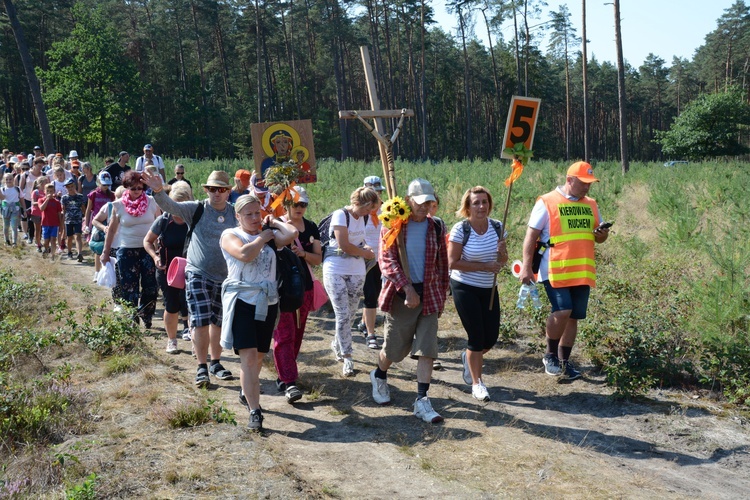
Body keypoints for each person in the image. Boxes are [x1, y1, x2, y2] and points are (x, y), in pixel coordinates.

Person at [141, 169, 238, 388]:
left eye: (221, 189)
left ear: (228, 191)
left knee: (218, 322)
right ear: (206, 190)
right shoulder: (198, 209)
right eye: (212, 189)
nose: (216, 194)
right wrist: (158, 190)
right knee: (201, 320)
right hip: (197, 273)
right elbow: (171, 207)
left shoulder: (235, 213)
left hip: (225, 277)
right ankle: (202, 367)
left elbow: (254, 218)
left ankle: (215, 363)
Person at [520, 161, 610, 381]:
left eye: (590, 183)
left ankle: (564, 362)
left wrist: (601, 234)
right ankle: (549, 355)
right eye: (584, 182)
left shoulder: (591, 203)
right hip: (555, 268)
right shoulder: (547, 201)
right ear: (570, 180)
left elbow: (600, 237)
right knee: (562, 310)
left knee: (574, 316)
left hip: (581, 269)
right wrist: (525, 265)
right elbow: (531, 236)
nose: (588, 187)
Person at [370, 178, 449, 423]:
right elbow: (387, 261)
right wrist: (406, 288)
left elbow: (442, 264)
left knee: (428, 349)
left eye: (429, 202)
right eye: (421, 202)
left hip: (430, 294)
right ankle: (379, 375)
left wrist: (442, 295)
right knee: (395, 349)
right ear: (408, 200)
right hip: (401, 296)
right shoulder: (393, 225)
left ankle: (422, 400)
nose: (425, 207)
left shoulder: (436, 226)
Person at [220, 194, 298, 431]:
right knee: (249, 358)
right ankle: (256, 410)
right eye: (249, 214)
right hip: (242, 300)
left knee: (260, 357)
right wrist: (263, 238)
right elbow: (244, 254)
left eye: (258, 213)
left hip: (267, 302)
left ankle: (247, 391)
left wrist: (273, 223)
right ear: (238, 216)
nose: (255, 218)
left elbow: (292, 234)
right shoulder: (230, 235)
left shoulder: (269, 234)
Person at [448, 186, 508, 402]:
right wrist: (485, 266)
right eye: (476, 203)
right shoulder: (460, 229)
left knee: (490, 338)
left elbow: (502, 261)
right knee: (476, 337)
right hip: (464, 286)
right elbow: (453, 262)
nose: (481, 206)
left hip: (489, 288)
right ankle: (477, 383)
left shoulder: (498, 227)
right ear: (468, 206)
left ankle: (468, 357)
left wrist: (501, 254)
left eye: (484, 202)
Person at [272, 186, 321, 403]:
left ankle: (285, 373)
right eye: (296, 203)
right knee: (284, 334)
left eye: (304, 204)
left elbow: (318, 258)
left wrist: (303, 254)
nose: (300, 208)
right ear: (286, 204)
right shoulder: (275, 224)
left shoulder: (311, 227)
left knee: (298, 332)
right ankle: (289, 381)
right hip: (281, 287)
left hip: (305, 287)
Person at [323, 186, 379, 376]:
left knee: (351, 313)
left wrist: (366, 248)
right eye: (367, 208)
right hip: (335, 268)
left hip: (356, 270)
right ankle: (347, 356)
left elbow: (359, 242)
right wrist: (365, 253)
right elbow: (344, 245)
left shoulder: (363, 217)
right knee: (342, 313)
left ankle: (337, 343)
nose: (368, 213)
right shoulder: (341, 215)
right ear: (359, 203)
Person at [101, 171, 161, 327]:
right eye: (133, 188)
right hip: (127, 250)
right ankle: (131, 318)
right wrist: (105, 253)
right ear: (126, 187)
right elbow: (112, 230)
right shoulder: (118, 205)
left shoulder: (152, 202)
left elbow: (160, 225)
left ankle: (146, 315)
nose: (137, 191)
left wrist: (159, 248)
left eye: (140, 188)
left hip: (148, 250)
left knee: (150, 286)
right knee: (129, 287)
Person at [144, 181, 192, 354]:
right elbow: (147, 241)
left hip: (191, 269)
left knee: (192, 305)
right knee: (172, 305)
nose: (178, 208)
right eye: (174, 204)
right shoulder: (163, 220)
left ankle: (195, 339)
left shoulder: (194, 219)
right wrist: (155, 257)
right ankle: (172, 340)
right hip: (167, 271)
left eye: (182, 204)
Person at [357, 175, 385, 349]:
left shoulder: (389, 210)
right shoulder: (360, 214)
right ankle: (371, 334)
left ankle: (363, 323)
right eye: (370, 194)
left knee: (378, 293)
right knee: (370, 296)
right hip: (366, 260)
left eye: (377, 192)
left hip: (384, 259)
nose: (374, 198)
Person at [85, 172, 116, 278]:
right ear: (98, 183)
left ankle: (106, 271)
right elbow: (89, 210)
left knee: (108, 247)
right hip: (97, 222)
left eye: (107, 185)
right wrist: (86, 225)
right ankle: (97, 272)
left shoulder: (112, 195)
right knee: (98, 248)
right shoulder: (93, 194)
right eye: (104, 185)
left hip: (109, 222)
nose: (105, 187)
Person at [60, 178, 87, 261]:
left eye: (71, 186)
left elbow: (83, 208)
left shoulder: (80, 197)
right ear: (66, 188)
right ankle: (69, 252)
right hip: (68, 220)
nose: (70, 188)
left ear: (74, 186)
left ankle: (79, 253)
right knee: (69, 237)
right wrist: (62, 223)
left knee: (78, 236)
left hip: (78, 219)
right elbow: (63, 210)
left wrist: (85, 218)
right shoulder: (64, 198)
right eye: (68, 187)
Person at [38, 183, 63, 259]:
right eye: (48, 191)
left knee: (53, 239)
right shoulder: (41, 200)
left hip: (54, 224)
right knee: (46, 241)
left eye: (51, 191)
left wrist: (61, 225)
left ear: (54, 192)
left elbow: (59, 214)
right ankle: (46, 248)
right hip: (45, 223)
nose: (49, 193)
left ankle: (53, 255)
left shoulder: (57, 202)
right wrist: (47, 199)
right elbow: (41, 208)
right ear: (44, 192)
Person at [0, 173, 22, 246]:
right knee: (6, 226)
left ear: (13, 179)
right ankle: (6, 240)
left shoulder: (17, 188)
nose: (8, 181)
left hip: (15, 209)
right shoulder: (2, 189)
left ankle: (14, 242)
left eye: (10, 179)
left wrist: (24, 209)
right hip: (5, 209)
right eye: (6, 179)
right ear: (4, 180)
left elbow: (21, 199)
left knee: (14, 225)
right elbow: (3, 198)